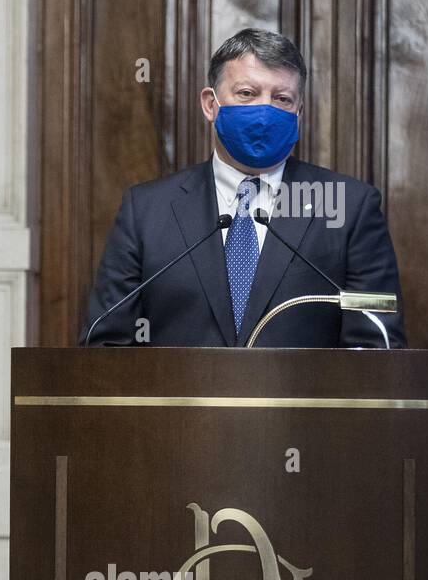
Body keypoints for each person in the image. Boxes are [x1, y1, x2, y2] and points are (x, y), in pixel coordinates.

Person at [81, 28, 407, 348]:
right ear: (210, 104)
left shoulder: (348, 207)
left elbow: (376, 344)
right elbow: (106, 343)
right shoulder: (147, 210)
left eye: (282, 99)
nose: (265, 111)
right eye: (247, 93)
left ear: (299, 113)